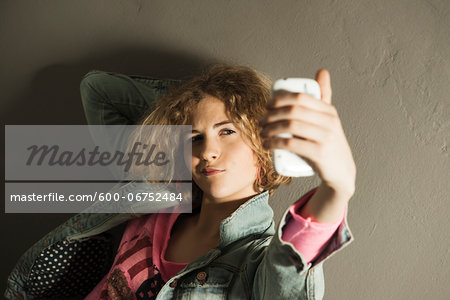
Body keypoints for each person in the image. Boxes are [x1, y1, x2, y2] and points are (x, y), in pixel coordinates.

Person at [4, 64, 355, 300]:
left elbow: (290, 267)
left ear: (265, 142)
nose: (208, 152)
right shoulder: (156, 195)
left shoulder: (255, 259)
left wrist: (337, 188)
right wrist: (187, 103)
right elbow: (98, 90)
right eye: (194, 138)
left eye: (227, 131)